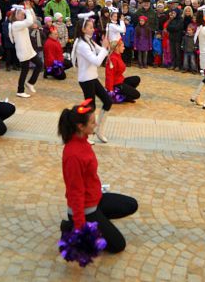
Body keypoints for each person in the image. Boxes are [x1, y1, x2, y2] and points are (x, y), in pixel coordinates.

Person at [59, 100, 139, 254]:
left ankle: (99, 220)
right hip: (86, 209)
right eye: (92, 122)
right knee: (118, 245)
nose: (95, 124)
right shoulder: (73, 155)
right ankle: (71, 226)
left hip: (96, 198)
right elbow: (75, 192)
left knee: (131, 204)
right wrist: (81, 228)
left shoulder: (83, 141)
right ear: (80, 126)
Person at [73, 13, 113, 143]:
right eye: (90, 27)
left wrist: (106, 45)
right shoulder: (82, 44)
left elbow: (101, 50)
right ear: (83, 29)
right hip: (86, 79)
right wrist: (104, 48)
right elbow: (96, 61)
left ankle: (99, 130)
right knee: (90, 108)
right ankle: (85, 135)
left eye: (92, 27)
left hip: (93, 77)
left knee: (107, 101)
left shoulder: (88, 40)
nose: (93, 29)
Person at [10, 3, 43, 98]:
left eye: (23, 14)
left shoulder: (21, 23)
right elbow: (29, 21)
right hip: (23, 51)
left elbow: (33, 20)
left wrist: (30, 9)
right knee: (25, 70)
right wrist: (27, 10)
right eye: (21, 14)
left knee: (39, 64)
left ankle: (30, 83)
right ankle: (20, 91)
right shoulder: (16, 24)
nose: (23, 15)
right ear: (15, 15)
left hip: (29, 50)